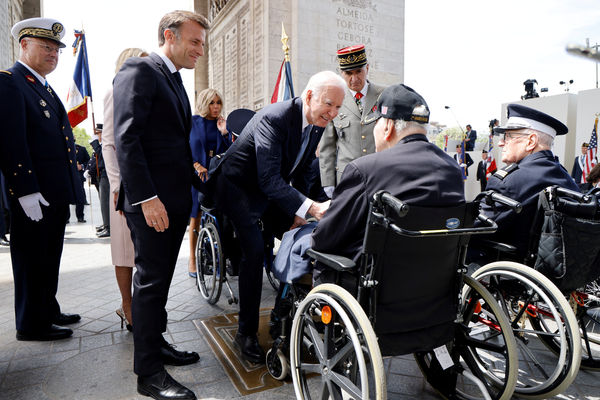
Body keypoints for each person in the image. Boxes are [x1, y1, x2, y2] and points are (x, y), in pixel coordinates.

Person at [208, 70, 345, 364]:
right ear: (309, 96)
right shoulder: (276, 117)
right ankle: (245, 334)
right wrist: (310, 207)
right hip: (237, 188)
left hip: (267, 189)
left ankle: (287, 315)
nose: (333, 114)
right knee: (255, 252)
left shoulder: (318, 123)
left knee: (305, 233)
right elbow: (269, 179)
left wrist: (310, 209)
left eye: (338, 108)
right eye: (328, 105)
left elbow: (307, 171)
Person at [113, 10, 207, 400]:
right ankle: (148, 373)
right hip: (151, 203)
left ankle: (157, 346)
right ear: (169, 36)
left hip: (171, 201)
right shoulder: (140, 70)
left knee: (161, 283)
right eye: (195, 42)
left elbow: (174, 146)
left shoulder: (173, 79)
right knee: (150, 285)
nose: (200, 51)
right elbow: (127, 139)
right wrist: (146, 198)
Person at [311, 84, 465, 279]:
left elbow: (325, 239)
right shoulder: (451, 169)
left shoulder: (365, 170)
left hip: (375, 293)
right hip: (435, 291)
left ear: (387, 127)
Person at [0, 17, 84, 341]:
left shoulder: (41, 86)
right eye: (46, 47)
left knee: (49, 255)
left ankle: (47, 308)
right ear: (24, 45)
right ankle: (30, 324)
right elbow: (11, 140)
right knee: (32, 259)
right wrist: (25, 190)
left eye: (56, 49)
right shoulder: (10, 82)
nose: (53, 53)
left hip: (53, 193)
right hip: (34, 194)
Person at [470, 104, 579, 262]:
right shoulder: (566, 178)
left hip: (508, 273)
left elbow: (474, 228)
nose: (501, 143)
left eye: (507, 136)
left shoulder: (510, 181)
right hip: (557, 272)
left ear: (531, 141)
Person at [103, 48, 148, 333]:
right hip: (123, 187)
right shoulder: (114, 92)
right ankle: (127, 306)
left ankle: (139, 305)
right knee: (124, 252)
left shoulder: (143, 95)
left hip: (143, 184)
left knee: (140, 250)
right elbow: (109, 143)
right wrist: (118, 184)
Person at [318, 44, 385, 197]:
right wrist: (328, 182)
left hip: (379, 176)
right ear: (341, 74)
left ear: (367, 68)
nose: (354, 79)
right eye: (348, 73)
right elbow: (327, 147)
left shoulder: (384, 96)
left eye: (358, 71)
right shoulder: (334, 100)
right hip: (348, 179)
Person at [187, 88, 230, 278]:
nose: (216, 106)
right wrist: (195, 165)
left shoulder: (223, 124)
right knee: (195, 216)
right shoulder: (193, 122)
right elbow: (183, 147)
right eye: (212, 102)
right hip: (196, 176)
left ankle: (216, 256)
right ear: (204, 103)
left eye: (218, 102)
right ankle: (192, 260)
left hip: (216, 176)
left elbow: (231, 151)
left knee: (219, 215)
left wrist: (224, 132)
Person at [90, 124, 110, 237]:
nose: (97, 136)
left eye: (98, 133)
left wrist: (95, 144)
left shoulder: (106, 144)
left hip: (106, 175)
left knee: (105, 202)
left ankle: (109, 227)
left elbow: (102, 155)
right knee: (104, 203)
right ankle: (106, 224)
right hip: (102, 175)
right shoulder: (102, 144)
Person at [74, 141, 90, 222]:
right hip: (67, 176)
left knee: (80, 197)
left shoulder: (81, 149)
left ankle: (80, 216)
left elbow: (88, 160)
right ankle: (66, 218)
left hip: (79, 176)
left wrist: (82, 166)